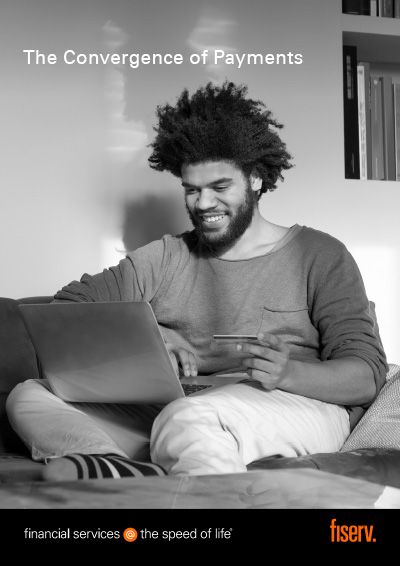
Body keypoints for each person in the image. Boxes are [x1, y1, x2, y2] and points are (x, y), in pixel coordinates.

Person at [6, 82, 387, 481]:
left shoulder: (319, 254)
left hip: (290, 403)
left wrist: (288, 372)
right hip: (179, 407)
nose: (203, 204)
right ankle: (113, 466)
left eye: (220, 187)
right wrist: (158, 338)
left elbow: (364, 376)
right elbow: (67, 309)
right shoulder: (167, 256)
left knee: (188, 419)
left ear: (256, 178)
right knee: (29, 394)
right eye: (192, 190)